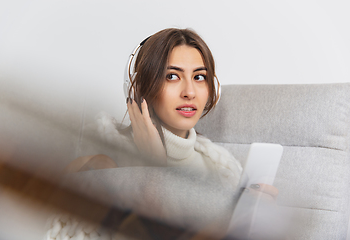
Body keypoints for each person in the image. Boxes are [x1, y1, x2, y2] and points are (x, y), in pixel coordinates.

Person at [52, 28, 280, 240]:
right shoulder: (102, 157)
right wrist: (153, 169)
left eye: (199, 77)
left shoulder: (223, 170)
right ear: (138, 87)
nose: (189, 92)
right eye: (172, 76)